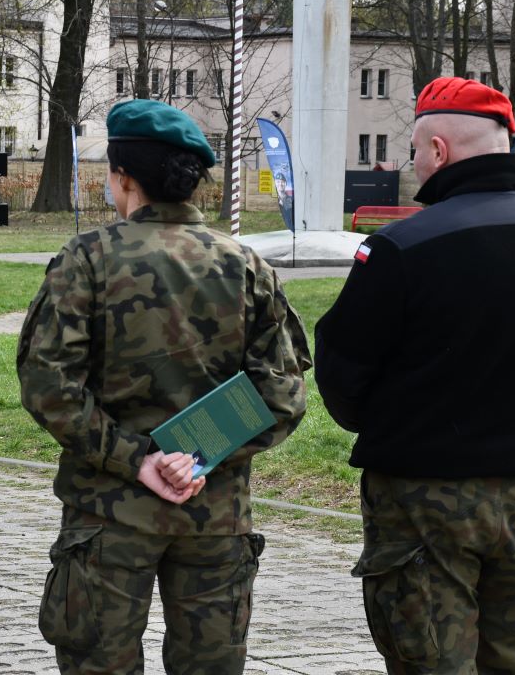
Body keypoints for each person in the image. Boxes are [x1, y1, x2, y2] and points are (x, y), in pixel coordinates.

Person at [314, 77, 515, 675]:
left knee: (432, 661)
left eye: (415, 150)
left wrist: (397, 420)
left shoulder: (400, 246)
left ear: (439, 150)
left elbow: (343, 372)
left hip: (422, 494)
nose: (412, 163)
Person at [17, 98, 312, 675]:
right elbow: (281, 392)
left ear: (122, 178)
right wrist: (193, 456)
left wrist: (140, 460)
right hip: (215, 512)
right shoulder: (246, 265)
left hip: (109, 513)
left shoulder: (87, 260)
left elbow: (50, 384)